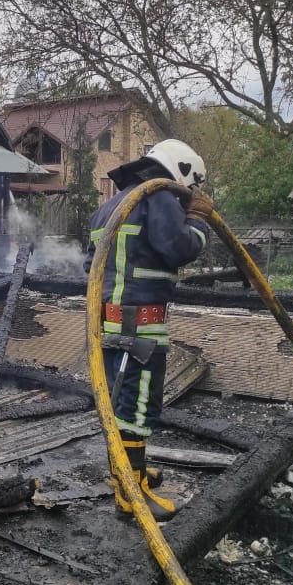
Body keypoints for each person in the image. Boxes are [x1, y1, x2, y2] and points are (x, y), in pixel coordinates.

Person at [84, 139, 213, 521]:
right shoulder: (158, 198)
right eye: (192, 189)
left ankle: (129, 472)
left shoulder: (108, 206)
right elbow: (177, 247)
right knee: (136, 406)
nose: (190, 197)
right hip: (139, 321)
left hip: (110, 318)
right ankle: (130, 494)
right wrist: (199, 222)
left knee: (119, 400)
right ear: (182, 171)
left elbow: (93, 266)